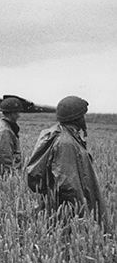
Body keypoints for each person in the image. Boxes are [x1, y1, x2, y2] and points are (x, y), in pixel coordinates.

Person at [26, 96, 108, 231]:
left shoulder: (64, 135)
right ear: (76, 118)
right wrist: (81, 215)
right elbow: (67, 184)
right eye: (82, 115)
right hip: (67, 211)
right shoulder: (66, 143)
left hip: (62, 207)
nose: (84, 118)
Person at [0, 97, 23, 174]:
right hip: (1, 174)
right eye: (17, 113)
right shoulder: (5, 130)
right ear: (11, 113)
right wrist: (8, 176)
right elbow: (5, 157)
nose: (19, 115)